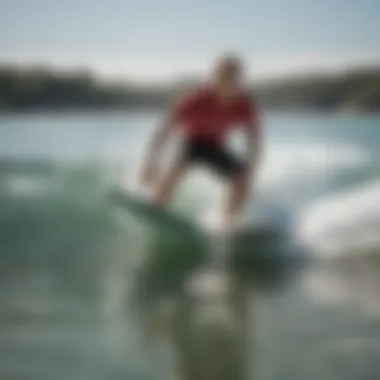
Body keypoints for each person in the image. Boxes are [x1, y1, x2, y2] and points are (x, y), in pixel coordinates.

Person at [139, 53, 262, 231]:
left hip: (215, 145)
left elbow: (254, 140)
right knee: (175, 171)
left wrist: (251, 169)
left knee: (241, 177)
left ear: (240, 80)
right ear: (214, 77)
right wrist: (150, 162)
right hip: (192, 141)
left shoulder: (245, 104)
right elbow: (164, 130)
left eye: (233, 77)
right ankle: (157, 207)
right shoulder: (195, 100)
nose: (226, 83)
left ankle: (227, 223)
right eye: (222, 76)